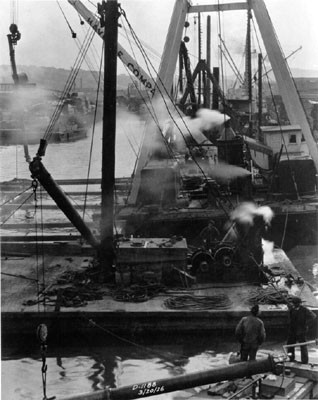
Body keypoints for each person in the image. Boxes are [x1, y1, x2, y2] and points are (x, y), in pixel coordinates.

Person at [286, 296, 317, 364]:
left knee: (303, 345)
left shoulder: (304, 309)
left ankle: (304, 361)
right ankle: (290, 358)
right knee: (290, 345)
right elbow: (290, 318)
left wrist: (306, 323)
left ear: (299, 303)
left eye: (294, 303)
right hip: (293, 330)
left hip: (301, 330)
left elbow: (313, 316)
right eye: (293, 303)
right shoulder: (292, 309)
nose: (293, 305)